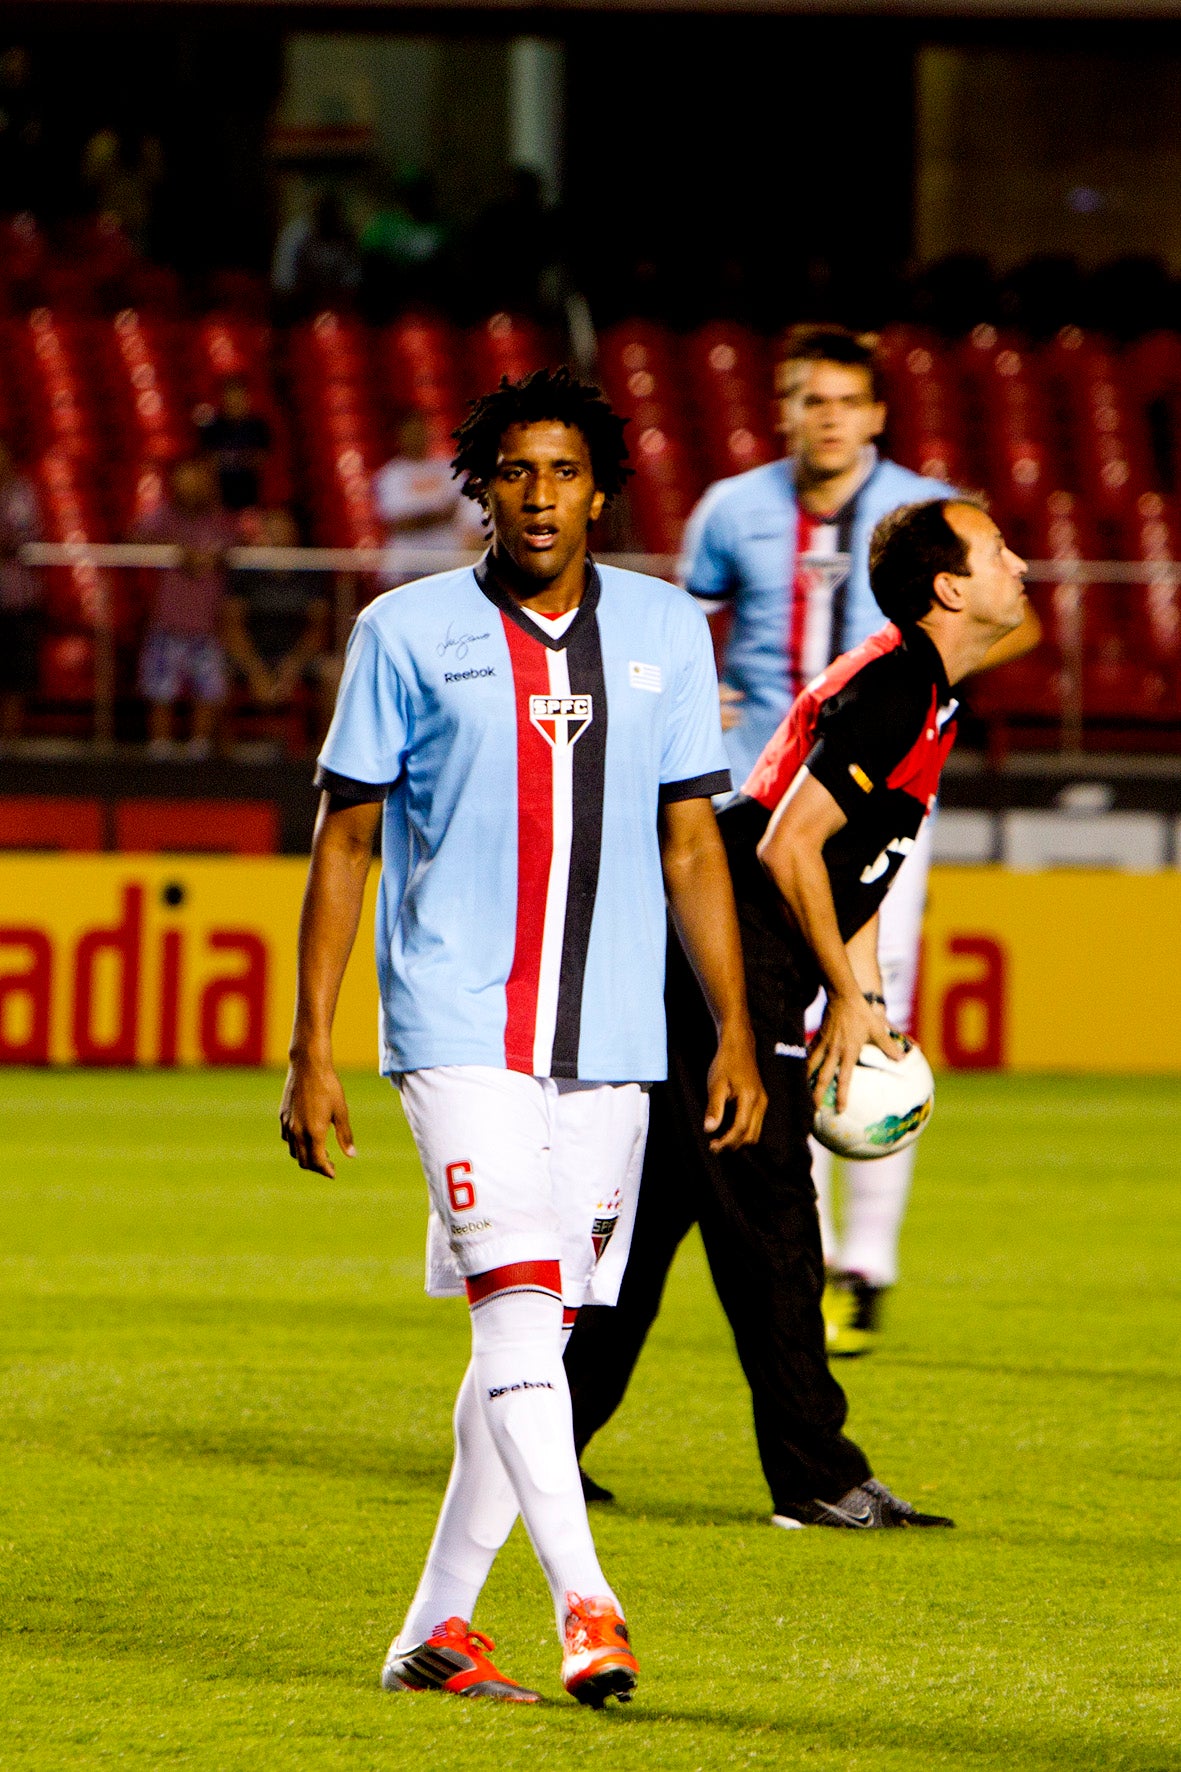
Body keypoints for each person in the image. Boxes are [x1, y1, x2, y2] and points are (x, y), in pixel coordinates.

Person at [279, 368, 765, 1704]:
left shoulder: (666, 633)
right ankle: (587, 1604)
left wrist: (731, 1029)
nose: (538, 494)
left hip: (610, 1043)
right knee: (518, 1307)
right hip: (454, 1025)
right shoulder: (403, 630)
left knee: (529, 1339)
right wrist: (310, 1044)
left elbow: (691, 844)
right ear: (477, 490)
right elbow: (348, 840)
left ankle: (436, 1630)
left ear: (599, 489)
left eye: (563, 471)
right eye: (513, 471)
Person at [569, 497, 1027, 1528]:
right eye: (998, 550)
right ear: (949, 587)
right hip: (727, 949)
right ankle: (815, 1474)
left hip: (730, 945)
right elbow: (786, 847)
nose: (1020, 562)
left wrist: (857, 1004)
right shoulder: (899, 685)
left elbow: (851, 873)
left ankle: (539, 1434)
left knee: (665, 1210)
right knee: (772, 1209)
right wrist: (828, 997)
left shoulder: (921, 687)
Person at [680, 322, 1038, 1350]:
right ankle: (798, 1264)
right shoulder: (730, 511)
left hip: (873, 804)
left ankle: (861, 1265)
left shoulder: (923, 515)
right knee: (787, 1034)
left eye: (842, 399)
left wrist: (857, 983)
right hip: (766, 803)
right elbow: (679, 625)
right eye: (805, 398)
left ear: (875, 413)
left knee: (872, 1011)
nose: (824, 417)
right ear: (782, 408)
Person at [133, 453, 237, 757]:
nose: (191, 485)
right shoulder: (163, 518)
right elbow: (135, 538)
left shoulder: (220, 519)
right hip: (167, 623)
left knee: (208, 691)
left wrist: (213, 556)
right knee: (160, 691)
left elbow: (235, 544)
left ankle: (199, 752)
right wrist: (175, 551)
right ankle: (161, 753)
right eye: (185, 478)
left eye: (197, 478)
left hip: (207, 626)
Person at [224, 507, 333, 748]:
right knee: (213, 672)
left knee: (334, 674)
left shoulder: (310, 571)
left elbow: (318, 628)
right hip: (252, 657)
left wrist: (293, 666)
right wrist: (254, 670)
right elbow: (232, 626)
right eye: (271, 530)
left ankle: (325, 755)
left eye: (283, 530)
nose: (277, 536)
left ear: (295, 534)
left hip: (297, 659)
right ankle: (221, 757)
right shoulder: (246, 571)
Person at [373, 412, 485, 586]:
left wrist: (426, 518)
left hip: (447, 565)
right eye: (410, 432)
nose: (416, 437)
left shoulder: (449, 469)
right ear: (399, 436)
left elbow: (468, 517)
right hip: (407, 567)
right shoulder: (390, 475)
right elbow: (399, 524)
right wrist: (443, 515)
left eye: (419, 431)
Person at [0, 437, 44, 743]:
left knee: (16, 677)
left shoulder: (24, 493)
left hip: (18, 601)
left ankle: (9, 747)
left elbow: (27, 534)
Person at [196, 376, 273, 513]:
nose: (234, 400)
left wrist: (231, 459)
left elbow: (262, 460)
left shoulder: (258, 426)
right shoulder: (212, 428)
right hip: (222, 501)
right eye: (230, 396)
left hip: (254, 497)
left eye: (238, 395)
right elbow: (208, 464)